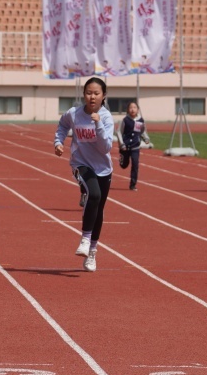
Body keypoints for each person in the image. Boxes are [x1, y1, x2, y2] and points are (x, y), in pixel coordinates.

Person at [53, 77, 114, 273]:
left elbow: (106, 148)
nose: (92, 97)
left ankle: (92, 251)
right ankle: (85, 239)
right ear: (83, 94)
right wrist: (58, 142)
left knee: (99, 210)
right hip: (81, 164)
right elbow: (62, 125)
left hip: (103, 168)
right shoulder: (74, 114)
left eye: (96, 93)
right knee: (93, 194)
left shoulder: (106, 117)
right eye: (89, 93)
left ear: (104, 96)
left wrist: (98, 124)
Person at [118, 101, 147, 191]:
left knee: (135, 165)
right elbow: (119, 132)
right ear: (128, 110)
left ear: (138, 110)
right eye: (131, 108)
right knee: (124, 165)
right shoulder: (125, 120)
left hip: (135, 147)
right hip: (125, 147)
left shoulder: (141, 120)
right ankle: (122, 158)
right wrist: (121, 144)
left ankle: (133, 185)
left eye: (134, 107)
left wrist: (146, 138)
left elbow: (142, 131)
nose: (132, 109)